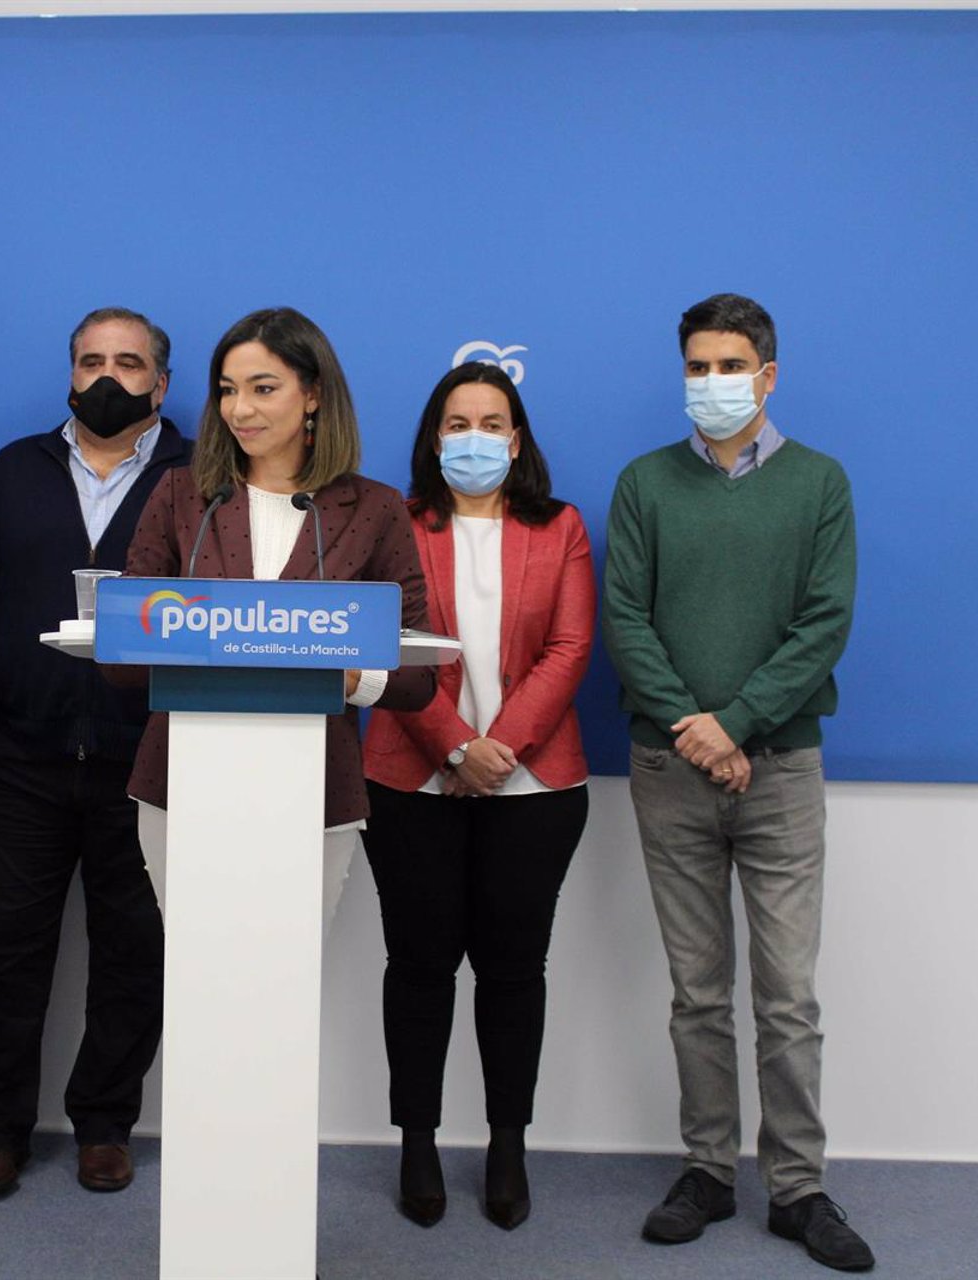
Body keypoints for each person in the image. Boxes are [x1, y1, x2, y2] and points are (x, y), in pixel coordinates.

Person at [604, 294, 872, 1272]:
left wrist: (739, 725)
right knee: (697, 990)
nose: (712, 383)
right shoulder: (645, 485)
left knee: (789, 995)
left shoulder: (820, 484)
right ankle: (709, 1168)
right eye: (698, 366)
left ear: (767, 375)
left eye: (731, 366)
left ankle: (798, 1184)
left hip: (782, 768)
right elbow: (626, 620)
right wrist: (697, 729)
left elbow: (824, 621)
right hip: (668, 766)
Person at [0, 307, 187, 1201]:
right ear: (69, 374)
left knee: (135, 951)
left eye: (129, 363)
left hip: (149, 763)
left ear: (162, 380)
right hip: (20, 761)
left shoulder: (202, 478)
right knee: (1, 952)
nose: (108, 379)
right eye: (91, 362)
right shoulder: (12, 472)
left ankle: (104, 1125)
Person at [361, 362, 594, 1232]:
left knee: (512, 972)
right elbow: (388, 643)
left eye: (492, 423)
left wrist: (500, 751)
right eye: (457, 423)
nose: (474, 439)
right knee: (418, 969)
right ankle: (417, 1141)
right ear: (433, 437)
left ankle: (506, 1145)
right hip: (413, 779)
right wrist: (456, 744)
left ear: (517, 439)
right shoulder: (397, 522)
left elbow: (570, 649)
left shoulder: (560, 527)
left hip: (534, 789)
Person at [122, 306, 434, 924]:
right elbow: (123, 658)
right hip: (183, 781)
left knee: (281, 990)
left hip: (316, 788)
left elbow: (418, 676)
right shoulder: (181, 495)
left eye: (263, 389)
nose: (240, 410)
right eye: (228, 391)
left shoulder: (373, 509)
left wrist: (341, 674)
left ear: (313, 395)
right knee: (197, 978)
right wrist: (200, 648)